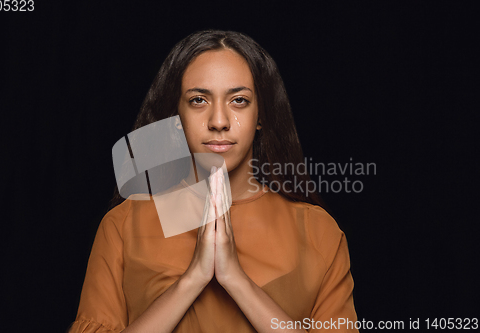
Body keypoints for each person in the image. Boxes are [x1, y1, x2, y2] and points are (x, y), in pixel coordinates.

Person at [67, 30, 358, 333]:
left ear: (261, 114)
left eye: (239, 100)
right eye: (198, 100)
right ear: (175, 116)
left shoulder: (318, 232)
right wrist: (193, 279)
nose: (218, 121)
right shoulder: (123, 225)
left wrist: (235, 279)